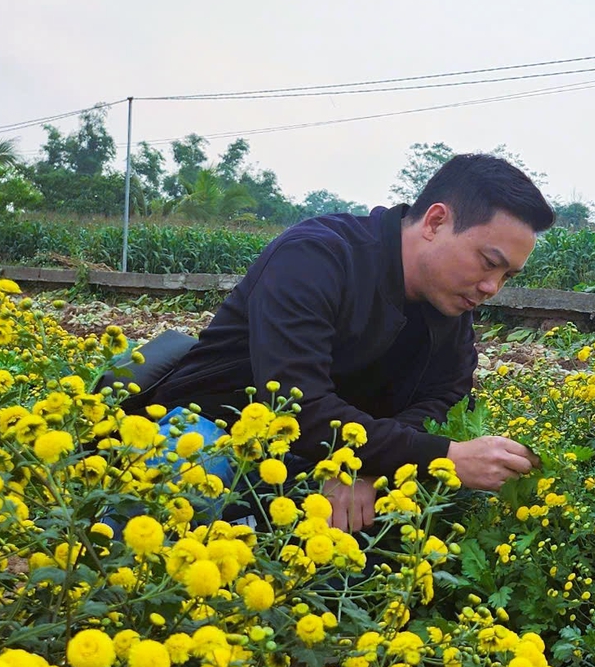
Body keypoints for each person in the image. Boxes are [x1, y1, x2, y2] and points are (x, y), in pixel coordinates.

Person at [123, 153, 552, 531]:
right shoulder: (316, 256)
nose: (492, 287)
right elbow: (295, 404)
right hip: (218, 430)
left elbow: (445, 400)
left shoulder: (450, 304)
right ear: (436, 222)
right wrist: (438, 456)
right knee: (178, 492)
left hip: (322, 455)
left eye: (507, 276)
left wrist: (366, 466)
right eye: (489, 263)